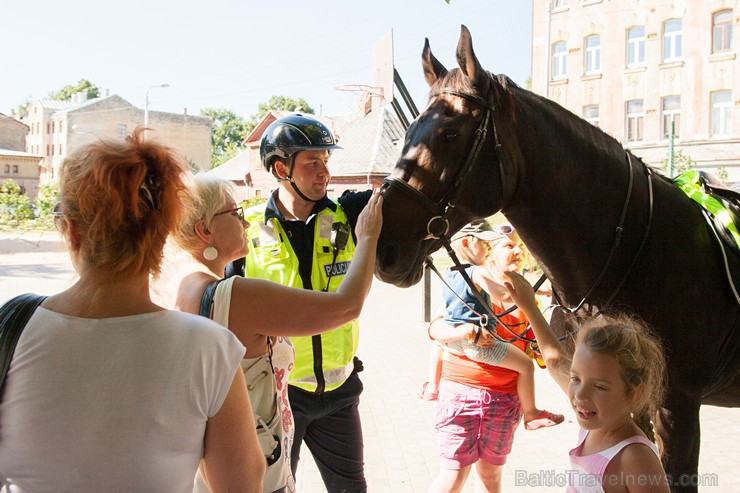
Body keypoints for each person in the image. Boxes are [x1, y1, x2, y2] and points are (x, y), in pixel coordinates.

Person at [0, 128, 265, 492]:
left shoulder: (14, 326)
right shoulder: (210, 348)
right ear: (162, 232)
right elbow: (243, 484)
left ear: (73, 232)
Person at [172, 176, 383, 492]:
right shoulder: (236, 294)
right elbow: (346, 306)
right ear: (205, 231)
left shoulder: (187, 285)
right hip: (254, 466)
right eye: (235, 214)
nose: (245, 222)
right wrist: (367, 237)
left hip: (215, 461)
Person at [228, 114, 374, 492]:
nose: (324, 172)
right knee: (273, 488)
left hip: (341, 391)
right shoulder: (248, 231)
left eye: (326, 161)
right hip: (279, 395)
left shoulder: (350, 214)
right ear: (281, 168)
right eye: (313, 162)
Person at [426, 221, 561, 493]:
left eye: (521, 247)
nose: (518, 251)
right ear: (490, 254)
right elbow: (435, 330)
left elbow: (548, 354)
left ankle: (530, 413)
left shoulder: (528, 299)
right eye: (508, 245)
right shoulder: (476, 285)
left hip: (503, 401)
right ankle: (531, 412)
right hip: (461, 394)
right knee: (453, 479)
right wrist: (464, 332)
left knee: (490, 478)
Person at [503, 271, 669, 492]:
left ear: (634, 393)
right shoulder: (595, 422)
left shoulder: (634, 457)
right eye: (575, 378)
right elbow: (555, 362)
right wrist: (529, 307)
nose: (580, 395)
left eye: (599, 386)